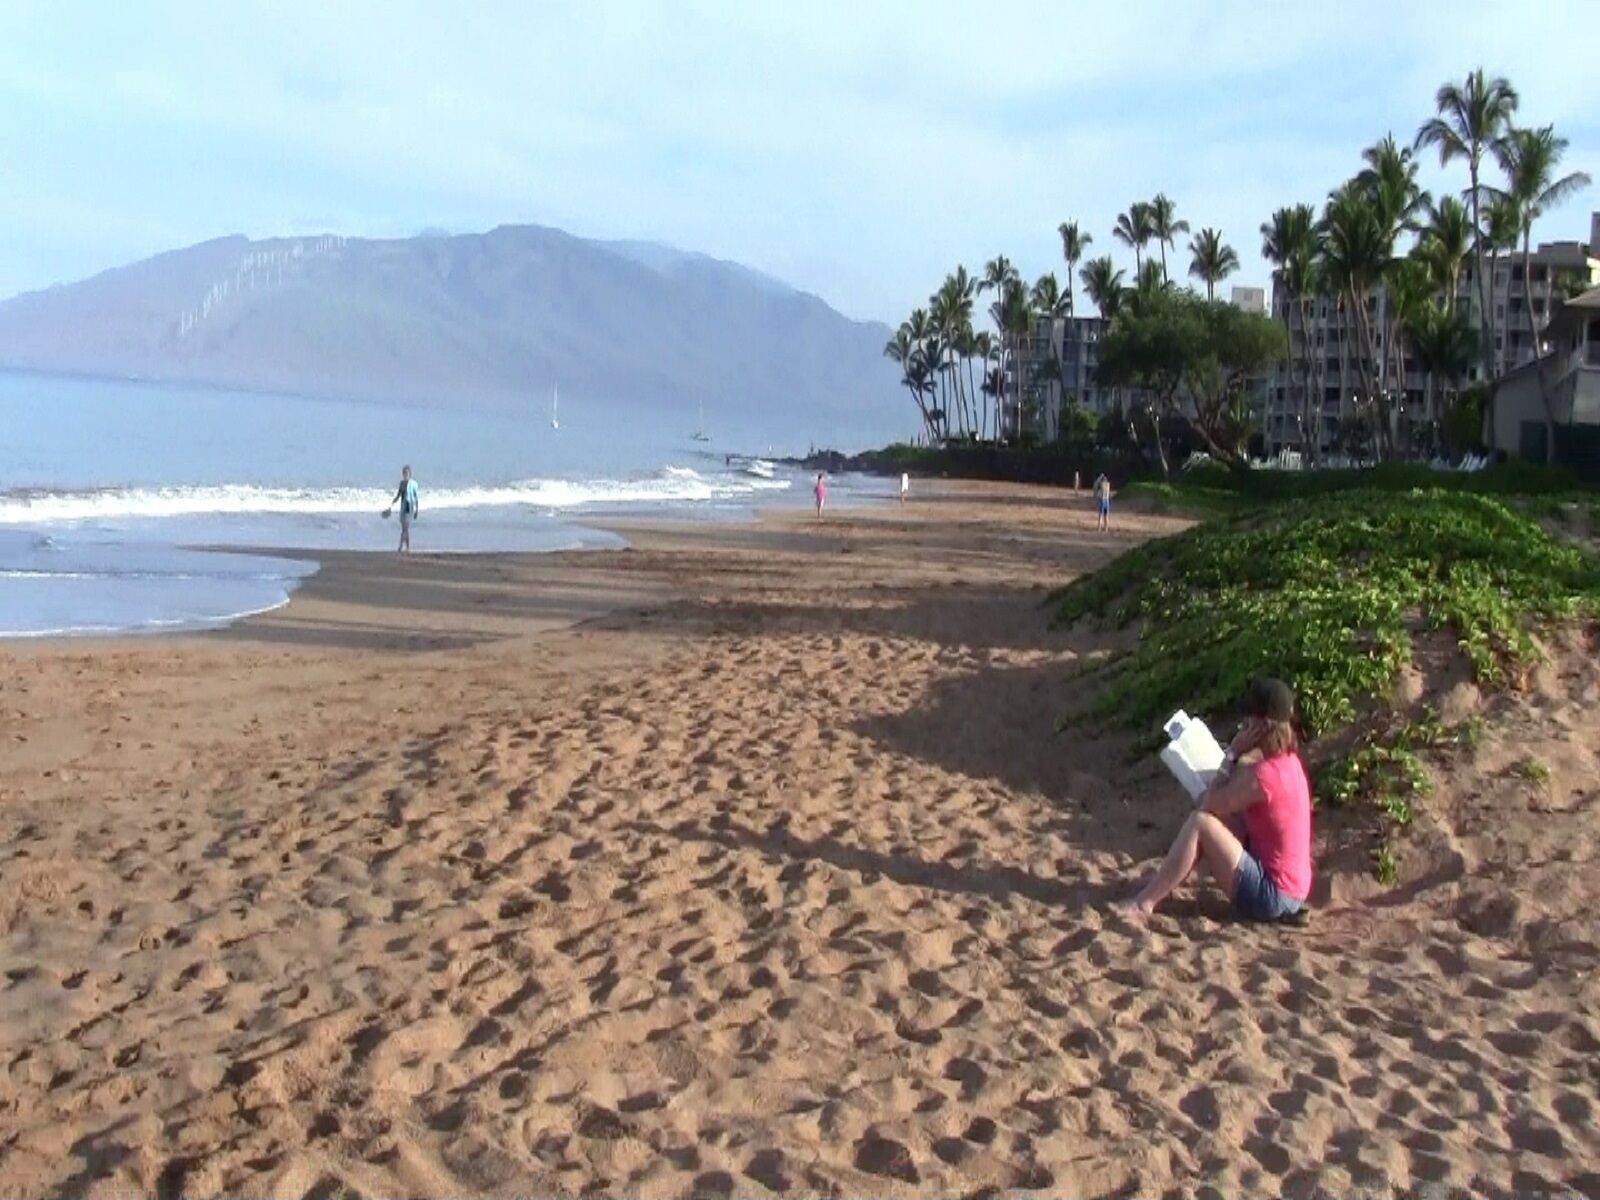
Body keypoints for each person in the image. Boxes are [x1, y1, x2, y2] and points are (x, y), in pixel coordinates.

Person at [1116, 677, 1313, 923]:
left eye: (1248, 722)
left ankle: (1145, 902)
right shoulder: (1288, 763)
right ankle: (1165, 879)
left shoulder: (1264, 776)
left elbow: (1208, 805)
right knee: (1223, 818)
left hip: (1273, 896)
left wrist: (1232, 753)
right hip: (1293, 891)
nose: (1243, 727)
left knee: (1201, 822)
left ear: (1261, 727)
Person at [384, 465, 420, 553]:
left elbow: (416, 498)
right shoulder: (402, 483)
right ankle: (407, 547)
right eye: (404, 473)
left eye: (407, 473)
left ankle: (400, 546)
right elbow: (399, 494)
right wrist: (393, 502)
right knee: (405, 529)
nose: (405, 475)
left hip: (409, 507)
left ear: (410, 474)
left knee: (405, 528)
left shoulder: (414, 484)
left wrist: (416, 510)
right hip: (403, 507)